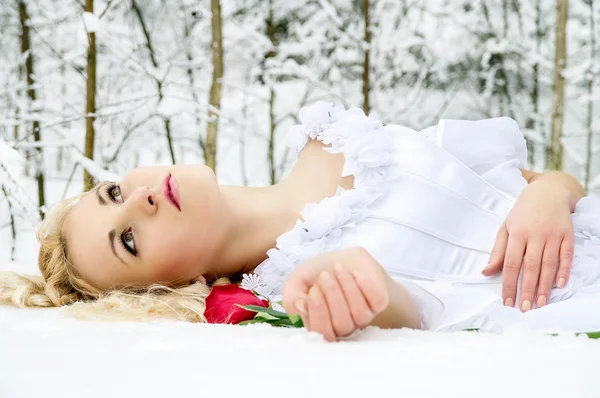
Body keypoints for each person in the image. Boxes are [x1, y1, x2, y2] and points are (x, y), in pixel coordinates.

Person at [0, 102, 596, 342]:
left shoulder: (336, 140)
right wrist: (357, 288)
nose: (140, 200)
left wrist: (547, 196)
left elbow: (540, 181)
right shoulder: (293, 290)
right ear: (170, 285)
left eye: (112, 192)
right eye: (128, 240)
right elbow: (418, 315)